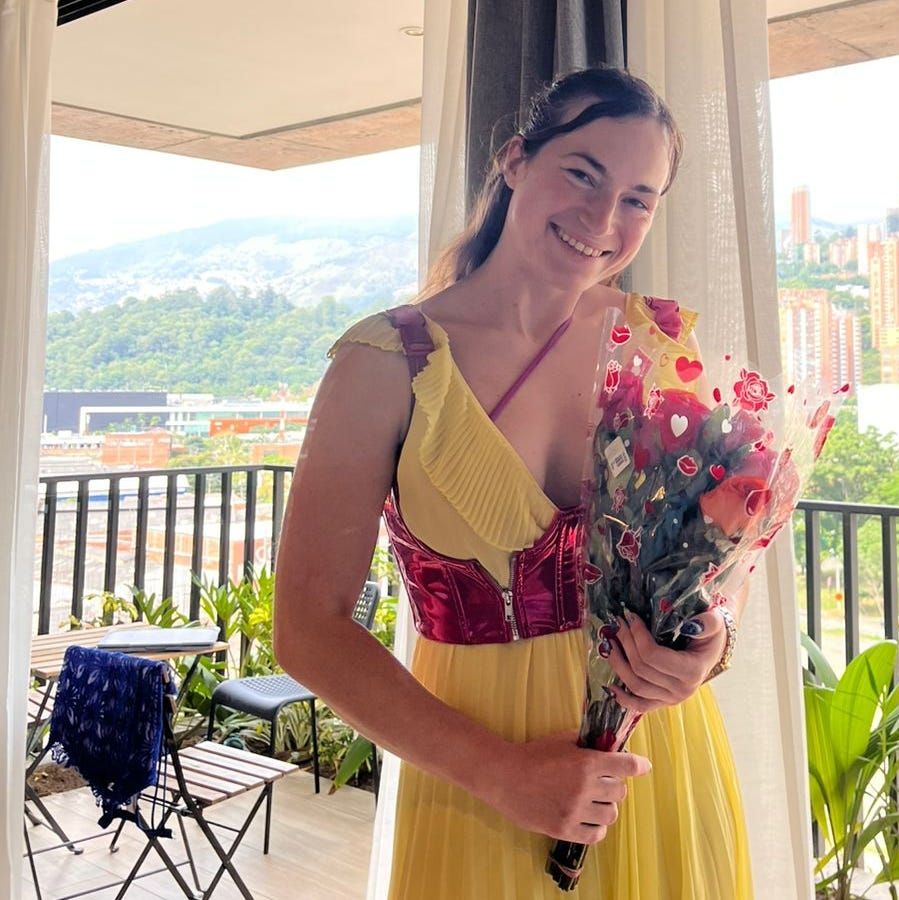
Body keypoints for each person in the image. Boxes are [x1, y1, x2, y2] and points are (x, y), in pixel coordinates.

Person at [274, 67, 753, 899]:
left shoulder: (658, 344)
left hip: (655, 767)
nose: (604, 220)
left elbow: (713, 562)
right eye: (583, 173)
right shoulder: (383, 363)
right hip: (480, 790)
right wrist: (501, 775)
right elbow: (307, 630)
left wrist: (709, 644)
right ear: (515, 159)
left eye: (639, 198)